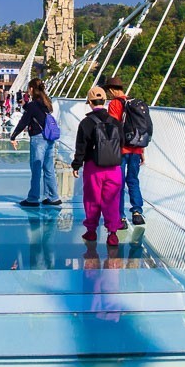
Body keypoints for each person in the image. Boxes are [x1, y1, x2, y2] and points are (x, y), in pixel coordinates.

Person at [70, 85, 123, 246]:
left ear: (90, 103)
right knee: (112, 200)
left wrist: (76, 165)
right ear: (105, 101)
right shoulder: (115, 121)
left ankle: (92, 231)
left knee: (92, 199)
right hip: (114, 168)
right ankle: (112, 233)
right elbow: (122, 142)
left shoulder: (86, 123)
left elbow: (81, 147)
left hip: (94, 168)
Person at [10, 78, 61, 208]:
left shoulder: (33, 105)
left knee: (36, 169)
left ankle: (33, 198)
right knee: (49, 168)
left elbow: (24, 121)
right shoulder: (47, 103)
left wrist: (13, 136)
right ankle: (53, 197)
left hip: (38, 139)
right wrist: (26, 105)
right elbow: (37, 112)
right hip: (49, 138)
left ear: (32, 89)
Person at [104, 76, 145, 228]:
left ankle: (120, 217)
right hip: (136, 148)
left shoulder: (114, 104)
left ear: (112, 90)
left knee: (118, 183)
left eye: (109, 91)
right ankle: (137, 213)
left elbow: (112, 127)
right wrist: (142, 151)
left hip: (120, 150)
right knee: (133, 180)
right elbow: (140, 128)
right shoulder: (135, 103)